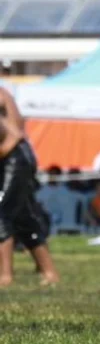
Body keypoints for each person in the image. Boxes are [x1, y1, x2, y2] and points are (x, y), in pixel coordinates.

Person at [0, 87, 59, 287]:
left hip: (14, 157)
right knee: (24, 218)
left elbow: (15, 134)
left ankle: (5, 276)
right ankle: (49, 273)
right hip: (12, 156)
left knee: (1, 214)